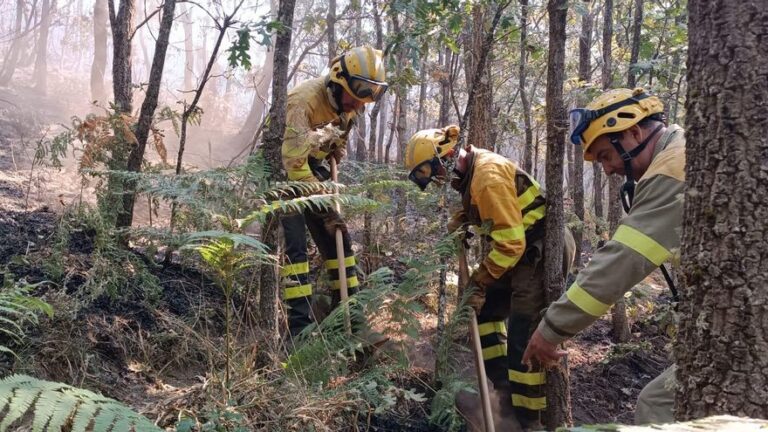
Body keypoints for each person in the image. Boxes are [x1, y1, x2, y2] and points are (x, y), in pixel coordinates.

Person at [522, 88, 685, 424]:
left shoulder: (672, 168)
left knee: (658, 406)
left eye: (606, 155)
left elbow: (622, 261)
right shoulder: (678, 153)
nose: (608, 170)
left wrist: (551, 328)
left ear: (634, 132)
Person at [404, 125, 575, 430]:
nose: (436, 180)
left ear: (445, 157)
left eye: (432, 172)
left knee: (524, 337)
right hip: (520, 249)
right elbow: (490, 212)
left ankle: (528, 422)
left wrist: (480, 281)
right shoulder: (473, 173)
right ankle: (505, 393)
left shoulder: (486, 176)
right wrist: (461, 220)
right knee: (483, 312)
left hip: (541, 249)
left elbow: (511, 243)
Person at [280, 46, 388, 338]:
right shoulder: (303, 101)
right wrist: (322, 202)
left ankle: (349, 320)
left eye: (364, 99)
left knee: (339, 242)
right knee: (296, 250)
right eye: (354, 97)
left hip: (312, 169)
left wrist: (335, 149)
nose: (358, 105)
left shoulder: (349, 107)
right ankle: (299, 333)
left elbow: (335, 139)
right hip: (285, 174)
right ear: (338, 82)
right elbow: (294, 164)